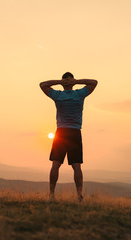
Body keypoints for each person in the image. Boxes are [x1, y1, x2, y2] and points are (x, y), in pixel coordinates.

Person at [40, 72, 98, 201]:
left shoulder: (58, 95)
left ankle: (51, 195)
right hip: (75, 132)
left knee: (55, 164)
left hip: (61, 133)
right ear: (72, 82)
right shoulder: (79, 94)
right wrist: (76, 81)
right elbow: (94, 82)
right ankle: (79, 194)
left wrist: (59, 82)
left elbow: (43, 85)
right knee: (76, 166)